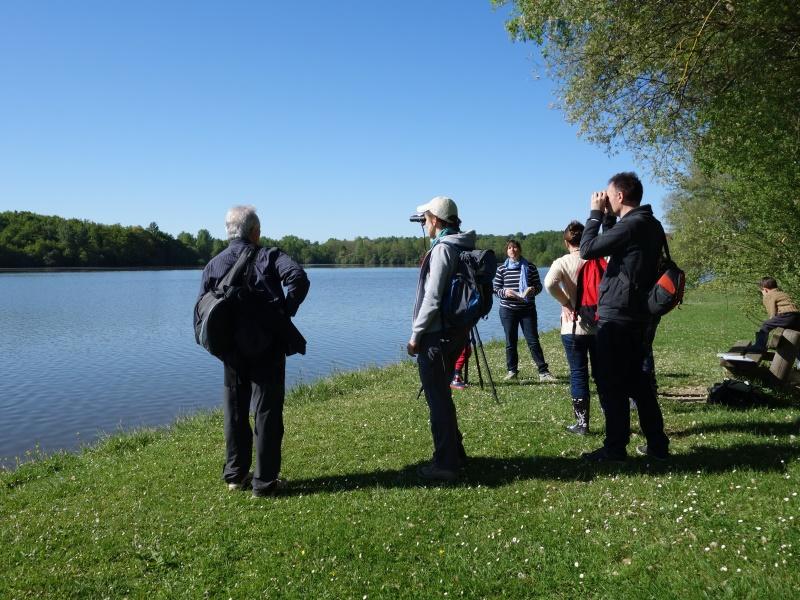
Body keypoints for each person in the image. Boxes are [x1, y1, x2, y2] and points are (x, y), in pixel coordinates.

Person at [198, 205, 309, 497]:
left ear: (229, 232)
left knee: (235, 412)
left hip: (231, 351)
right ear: (255, 232)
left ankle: (236, 476)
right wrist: (285, 311)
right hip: (267, 348)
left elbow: (203, 310)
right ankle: (265, 482)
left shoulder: (214, 265)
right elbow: (298, 278)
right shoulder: (269, 256)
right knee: (267, 413)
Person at [579, 172, 670, 462]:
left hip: (618, 315)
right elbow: (615, 247)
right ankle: (657, 444)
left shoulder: (632, 225)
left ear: (619, 196)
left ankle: (615, 448)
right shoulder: (649, 223)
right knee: (637, 383)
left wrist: (595, 214)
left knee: (611, 383)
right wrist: (608, 218)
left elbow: (587, 249)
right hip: (636, 313)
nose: (604, 199)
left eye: (608, 195)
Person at [407, 196, 475, 482]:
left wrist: (415, 335)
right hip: (454, 333)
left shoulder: (443, 249)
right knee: (442, 396)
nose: (424, 224)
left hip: (436, 335)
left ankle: (445, 464)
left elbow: (432, 298)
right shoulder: (460, 245)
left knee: (437, 400)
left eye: (425, 219)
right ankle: (455, 453)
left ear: (435, 219)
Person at [544, 221, 598, 434]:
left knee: (578, 373)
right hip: (599, 325)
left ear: (566, 242)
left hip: (573, 327)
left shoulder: (562, 262)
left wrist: (566, 302)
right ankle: (612, 416)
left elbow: (549, 284)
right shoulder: (597, 259)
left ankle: (582, 424)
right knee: (602, 374)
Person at [493, 240, 555, 382]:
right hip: (508, 310)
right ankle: (512, 371)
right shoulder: (501, 269)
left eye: (515, 247)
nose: (512, 250)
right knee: (510, 341)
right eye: (509, 248)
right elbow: (495, 289)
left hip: (527, 310)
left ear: (519, 249)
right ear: (506, 251)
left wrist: (533, 290)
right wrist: (505, 292)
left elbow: (539, 286)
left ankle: (543, 372)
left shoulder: (530, 267)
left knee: (533, 340)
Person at [748, 277, 800, 351]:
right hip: (797, 316)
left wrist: (771, 320)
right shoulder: (782, 293)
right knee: (796, 337)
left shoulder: (768, 296)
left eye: (761, 291)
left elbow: (772, 312)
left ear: (765, 290)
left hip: (786, 316)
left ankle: (759, 346)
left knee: (766, 325)